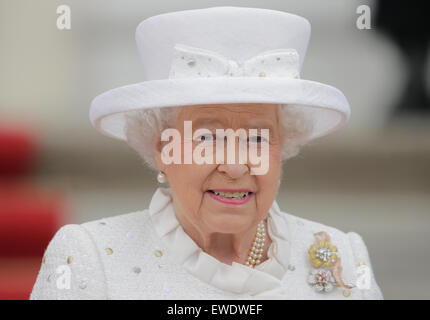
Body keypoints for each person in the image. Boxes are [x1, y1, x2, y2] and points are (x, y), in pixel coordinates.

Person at [30, 6, 383, 299]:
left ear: (284, 145)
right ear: (163, 148)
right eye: (207, 138)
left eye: (258, 139)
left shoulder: (343, 257)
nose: (234, 165)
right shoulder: (89, 259)